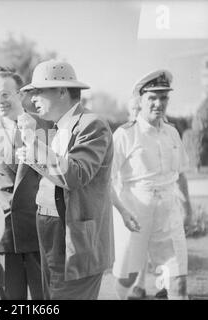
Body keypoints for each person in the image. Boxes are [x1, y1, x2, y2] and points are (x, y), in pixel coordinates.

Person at [16, 60, 114, 300]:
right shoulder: (61, 126)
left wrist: (33, 143)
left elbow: (75, 175)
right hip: (53, 235)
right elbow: (58, 177)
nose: (33, 99)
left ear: (62, 91)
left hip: (75, 241)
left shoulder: (93, 125)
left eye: (39, 91)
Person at [111, 70, 192, 300]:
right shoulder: (125, 135)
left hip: (168, 215)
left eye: (163, 97)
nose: (159, 103)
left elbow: (182, 174)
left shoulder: (172, 133)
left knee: (178, 283)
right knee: (128, 279)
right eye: (152, 98)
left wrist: (188, 209)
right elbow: (106, 180)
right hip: (134, 215)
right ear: (140, 100)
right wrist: (123, 213)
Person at [0, 66, 48, 300]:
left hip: (38, 229)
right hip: (3, 232)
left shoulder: (45, 126)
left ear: (21, 95)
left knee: (44, 299)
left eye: (5, 94)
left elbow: (58, 178)